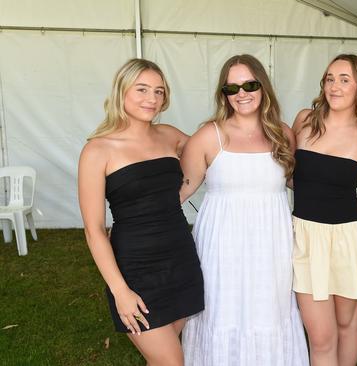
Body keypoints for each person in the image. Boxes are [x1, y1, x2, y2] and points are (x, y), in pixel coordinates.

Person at [179, 54, 309, 366]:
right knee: (221, 309)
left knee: (270, 310)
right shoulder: (209, 136)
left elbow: (297, 182)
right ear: (223, 93)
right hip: (221, 247)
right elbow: (179, 192)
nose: (242, 93)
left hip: (272, 245)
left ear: (263, 86)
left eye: (250, 84)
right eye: (232, 88)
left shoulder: (282, 134)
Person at [78, 58, 204, 365]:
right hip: (136, 269)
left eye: (159, 92)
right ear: (122, 92)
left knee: (163, 357)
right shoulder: (97, 150)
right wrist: (120, 291)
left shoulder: (169, 135)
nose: (152, 99)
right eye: (143, 89)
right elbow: (94, 230)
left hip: (180, 259)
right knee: (172, 362)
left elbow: (212, 153)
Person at [291, 54, 357, 366]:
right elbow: (287, 173)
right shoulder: (305, 120)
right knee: (321, 337)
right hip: (305, 237)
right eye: (330, 78)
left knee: (347, 326)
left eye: (344, 79)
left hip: (349, 238)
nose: (334, 86)